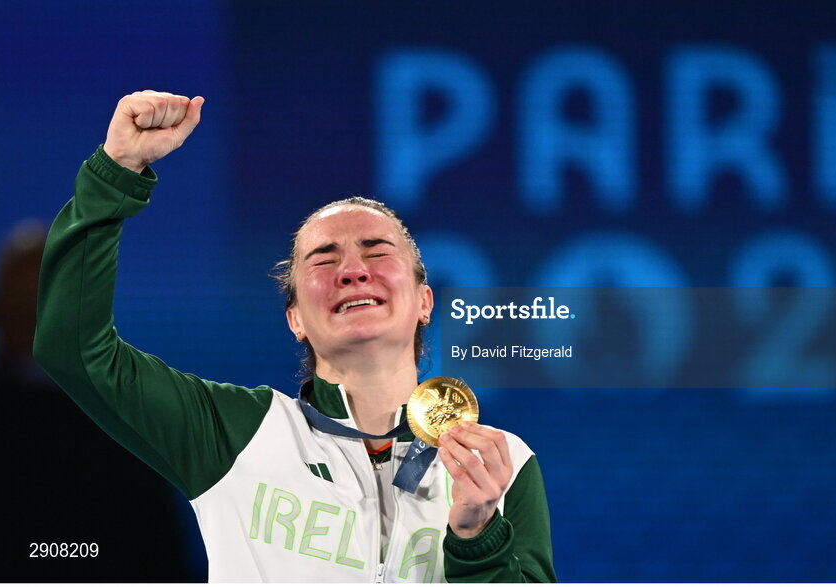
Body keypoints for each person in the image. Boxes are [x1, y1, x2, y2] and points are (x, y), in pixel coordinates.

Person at [34, 91, 555, 582]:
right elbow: (76, 349)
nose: (352, 271)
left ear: (424, 301)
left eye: (376, 252)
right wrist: (116, 172)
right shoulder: (233, 433)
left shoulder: (503, 463)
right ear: (295, 319)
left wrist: (476, 537)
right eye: (324, 259)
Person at [0, 222, 197, 581]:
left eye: (44, 299)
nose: (32, 314)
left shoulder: (124, 419)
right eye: (22, 299)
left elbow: (158, 550)